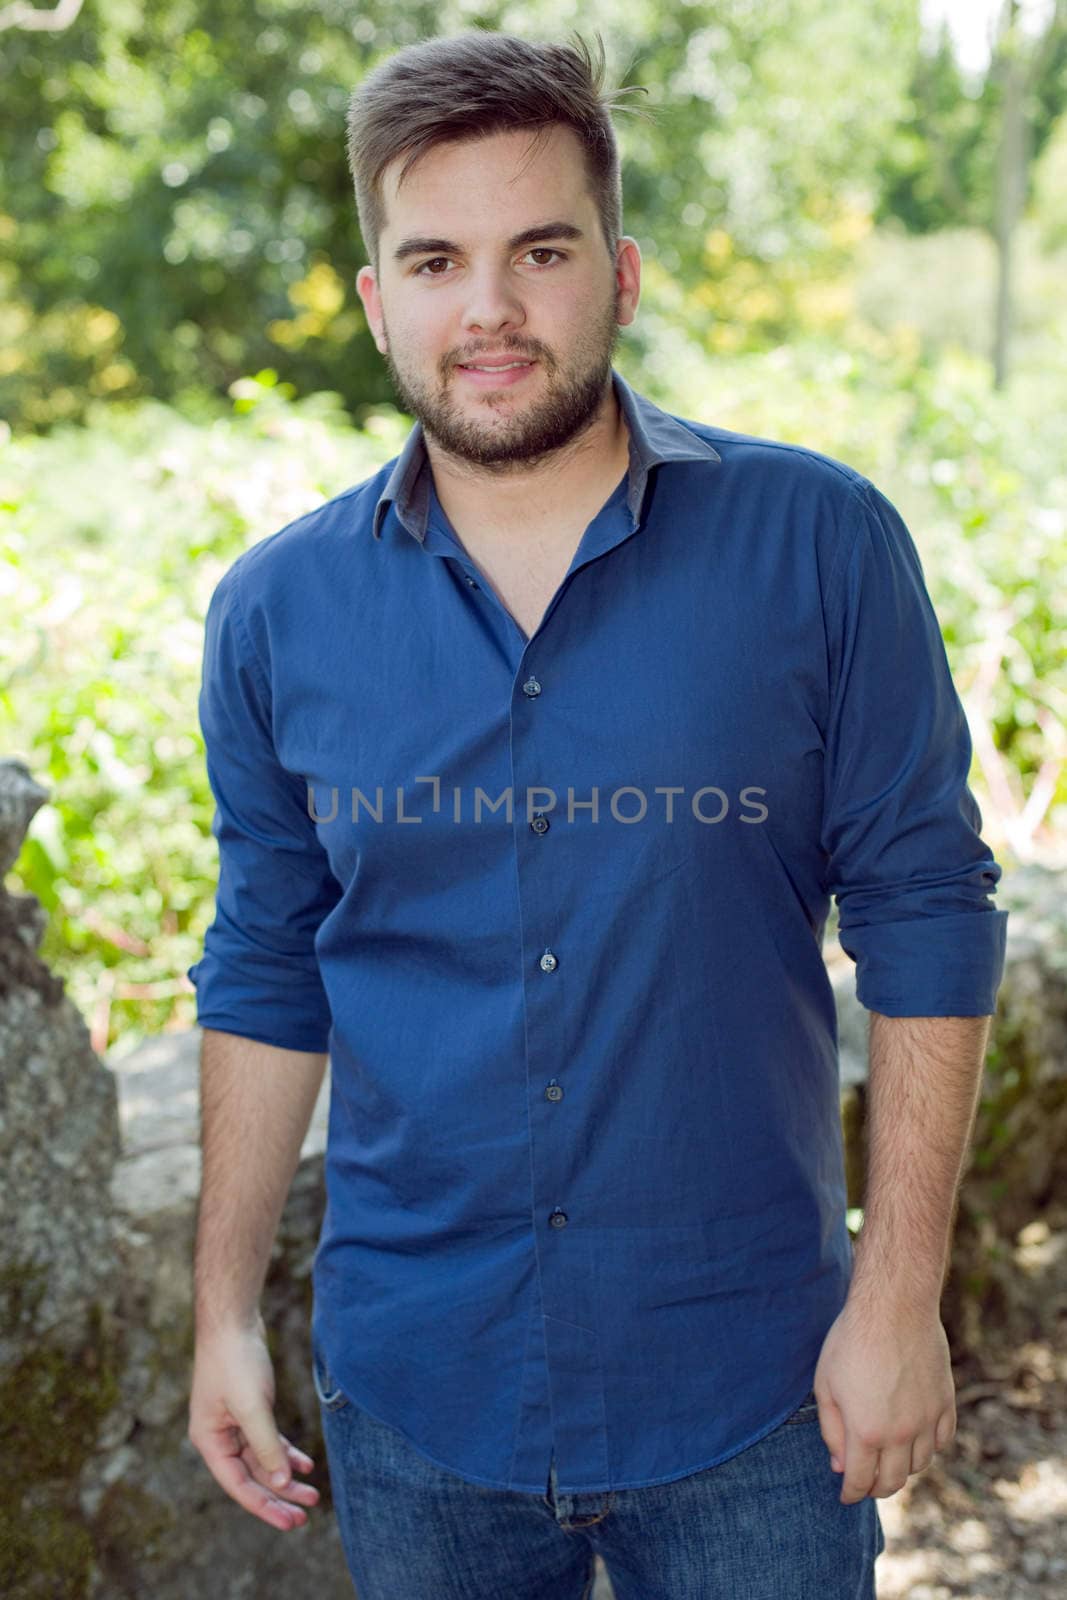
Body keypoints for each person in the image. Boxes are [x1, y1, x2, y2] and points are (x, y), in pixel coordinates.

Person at [185, 28, 1009, 1600]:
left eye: (538, 252)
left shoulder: (820, 546)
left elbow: (927, 909)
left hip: (756, 1386)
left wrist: (901, 1294)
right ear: (378, 300)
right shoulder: (276, 613)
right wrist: (223, 1310)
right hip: (418, 1392)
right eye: (433, 259)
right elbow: (265, 963)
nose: (485, 309)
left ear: (620, 275)